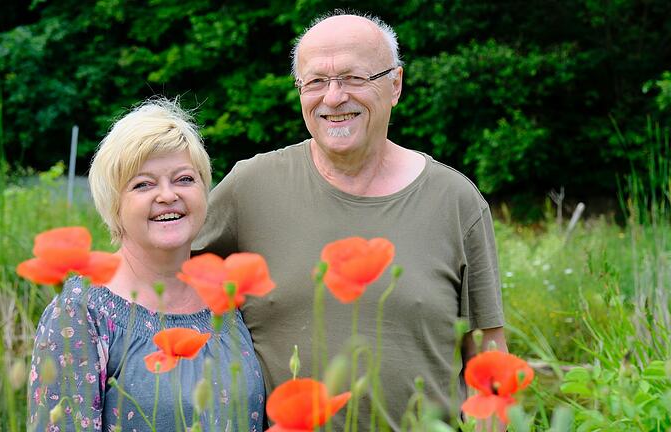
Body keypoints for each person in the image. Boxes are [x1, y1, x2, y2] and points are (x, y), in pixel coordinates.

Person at [193, 12, 507, 430]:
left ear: (395, 84)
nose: (334, 97)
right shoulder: (249, 188)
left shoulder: (455, 201)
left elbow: (489, 358)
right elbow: (167, 287)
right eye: (316, 82)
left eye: (354, 78)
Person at [27, 99, 266, 431]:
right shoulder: (80, 312)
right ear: (114, 204)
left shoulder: (228, 296)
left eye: (184, 179)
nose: (167, 195)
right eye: (143, 184)